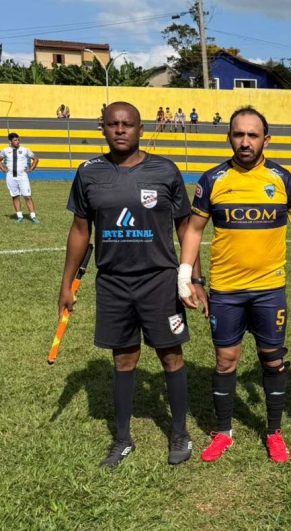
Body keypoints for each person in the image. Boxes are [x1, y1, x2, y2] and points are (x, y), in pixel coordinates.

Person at [57, 101, 207, 467]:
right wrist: (66, 284)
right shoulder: (89, 173)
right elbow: (80, 230)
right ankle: (122, 439)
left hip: (159, 281)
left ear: (141, 129)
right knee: (123, 358)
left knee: (170, 355)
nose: (120, 130)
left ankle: (179, 433)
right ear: (102, 129)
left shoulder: (165, 171)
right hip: (113, 284)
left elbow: (185, 228)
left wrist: (194, 278)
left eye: (127, 124)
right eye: (112, 124)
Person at [178, 106, 291, 464]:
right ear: (229, 137)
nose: (245, 141)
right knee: (226, 360)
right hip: (225, 291)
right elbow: (193, 230)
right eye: (238, 134)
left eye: (252, 135)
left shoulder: (283, 179)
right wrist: (191, 277)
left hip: (270, 291)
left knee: (272, 361)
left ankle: (273, 432)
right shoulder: (212, 180)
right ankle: (223, 432)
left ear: (265, 140)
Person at [1, 133, 39, 223]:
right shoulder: (5, 150)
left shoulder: (25, 150)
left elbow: (36, 159)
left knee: (27, 196)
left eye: (18, 140)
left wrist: (31, 168)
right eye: (15, 140)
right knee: (15, 196)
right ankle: (19, 216)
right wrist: (3, 169)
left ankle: (33, 216)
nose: (17, 142)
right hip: (10, 176)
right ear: (10, 141)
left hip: (22, 176)